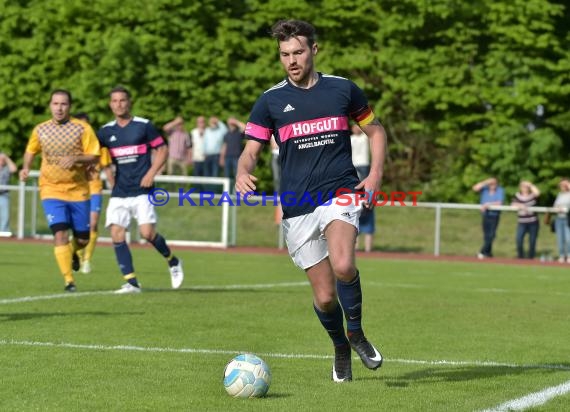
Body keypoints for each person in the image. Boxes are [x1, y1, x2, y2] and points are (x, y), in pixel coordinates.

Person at [235, 19, 387, 383]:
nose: (291, 60)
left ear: (314, 50)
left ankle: (357, 334)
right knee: (323, 298)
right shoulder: (269, 101)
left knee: (344, 265)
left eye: (298, 52)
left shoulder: (342, 90)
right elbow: (250, 151)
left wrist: (376, 174)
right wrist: (241, 171)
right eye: (285, 54)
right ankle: (339, 346)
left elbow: (376, 129)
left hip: (340, 191)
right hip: (297, 205)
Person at [96, 86, 184, 293]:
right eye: (114, 101)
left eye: (122, 100)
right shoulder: (105, 131)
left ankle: (173, 261)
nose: (119, 104)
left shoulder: (143, 126)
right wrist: (107, 174)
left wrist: (151, 173)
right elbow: (97, 155)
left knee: (147, 233)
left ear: (129, 102)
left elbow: (162, 149)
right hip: (119, 191)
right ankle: (132, 282)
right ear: (110, 105)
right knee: (117, 233)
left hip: (143, 190)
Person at [19, 89, 100, 292]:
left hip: (78, 189)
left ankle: (74, 251)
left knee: (83, 239)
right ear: (50, 106)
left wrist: (76, 158)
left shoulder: (82, 128)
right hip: (51, 188)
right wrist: (26, 167)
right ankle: (69, 280)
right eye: (55, 104)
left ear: (69, 106)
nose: (59, 108)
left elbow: (95, 156)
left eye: (63, 104)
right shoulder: (40, 129)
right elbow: (31, 150)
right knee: (60, 233)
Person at [73, 112, 113, 274]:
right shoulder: (71, 146)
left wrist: (115, 188)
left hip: (95, 189)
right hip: (76, 190)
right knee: (78, 227)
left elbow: (108, 169)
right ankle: (76, 254)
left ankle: (87, 260)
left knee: (93, 224)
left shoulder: (98, 145)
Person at [351, 124, 375, 252]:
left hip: (363, 165)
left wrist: (360, 125)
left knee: (367, 193)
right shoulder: (350, 139)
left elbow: (371, 132)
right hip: (353, 166)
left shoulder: (365, 138)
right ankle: (355, 246)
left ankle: (368, 249)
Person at [472, 177, 505, 259]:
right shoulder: (485, 189)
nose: (492, 185)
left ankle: (482, 251)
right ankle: (488, 253)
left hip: (494, 215)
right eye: (491, 184)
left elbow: (499, 202)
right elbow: (475, 188)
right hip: (485, 215)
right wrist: (486, 182)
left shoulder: (500, 190)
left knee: (491, 235)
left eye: (494, 183)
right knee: (486, 235)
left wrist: (488, 204)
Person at [511, 180, 540, 259]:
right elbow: (513, 204)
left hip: (533, 222)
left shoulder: (532, 195)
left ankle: (531, 257)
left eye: (526, 187)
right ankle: (521, 256)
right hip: (522, 222)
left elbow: (538, 193)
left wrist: (530, 184)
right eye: (523, 186)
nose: (524, 188)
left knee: (532, 240)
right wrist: (520, 205)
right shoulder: (517, 196)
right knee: (519, 239)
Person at [552, 178, 570, 262]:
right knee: (560, 238)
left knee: (568, 238)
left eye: (564, 185)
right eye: (561, 185)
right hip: (559, 218)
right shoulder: (560, 195)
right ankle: (562, 255)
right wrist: (557, 208)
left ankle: (569, 255)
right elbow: (555, 205)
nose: (563, 186)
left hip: (567, 219)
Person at [0, 152, 18, 235]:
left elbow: (14, 169)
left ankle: (3, 232)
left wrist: (6, 158)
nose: (1, 160)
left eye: (2, 159)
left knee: (5, 215)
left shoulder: (6, 168)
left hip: (4, 195)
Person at [190, 116, 206, 186]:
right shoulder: (193, 132)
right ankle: (197, 192)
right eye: (199, 122)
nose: (201, 123)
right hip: (196, 158)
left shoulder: (208, 131)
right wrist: (190, 157)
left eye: (202, 122)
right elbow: (191, 146)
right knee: (196, 177)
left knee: (206, 178)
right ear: (197, 123)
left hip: (206, 158)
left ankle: (207, 193)